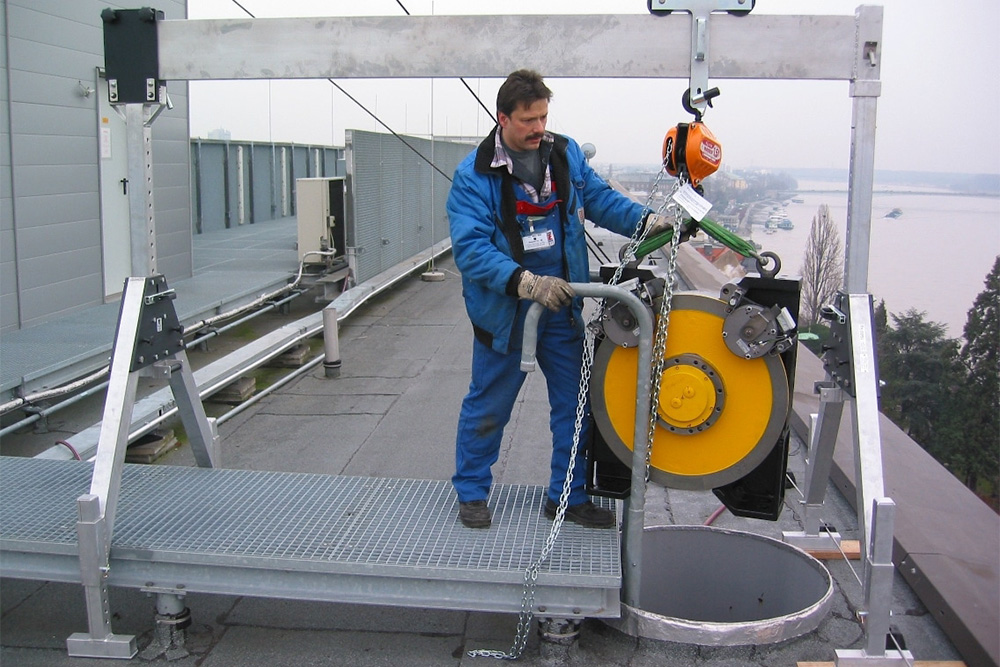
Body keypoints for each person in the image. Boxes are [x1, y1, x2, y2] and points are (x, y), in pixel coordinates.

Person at [447, 69, 665, 529]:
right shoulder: (474, 177)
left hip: (561, 306)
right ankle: (471, 492)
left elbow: (600, 200)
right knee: (489, 406)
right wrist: (527, 283)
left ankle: (567, 496)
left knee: (576, 404)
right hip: (506, 313)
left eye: (543, 117)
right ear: (503, 118)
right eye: (528, 120)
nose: (539, 128)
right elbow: (472, 250)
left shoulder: (564, 156)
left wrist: (647, 222)